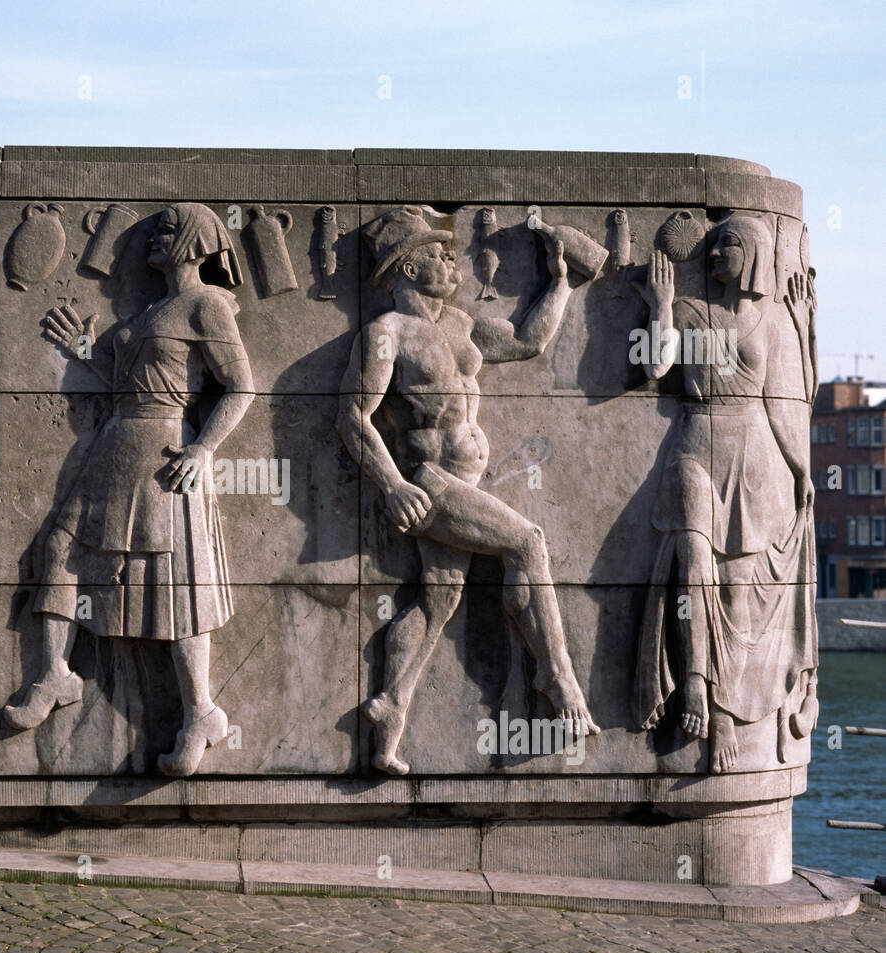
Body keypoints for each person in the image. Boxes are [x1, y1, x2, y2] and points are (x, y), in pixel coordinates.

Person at [338, 205, 599, 776]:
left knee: (437, 600)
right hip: (430, 484)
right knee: (527, 542)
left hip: (466, 478)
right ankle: (556, 676)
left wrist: (560, 283)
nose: (450, 260)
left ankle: (391, 712)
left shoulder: (459, 325)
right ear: (406, 269)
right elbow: (353, 417)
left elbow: (527, 342)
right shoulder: (386, 334)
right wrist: (392, 487)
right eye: (436, 253)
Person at [3, 203, 255, 778]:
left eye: (168, 231)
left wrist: (204, 449)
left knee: (176, 585)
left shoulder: (208, 305)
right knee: (59, 551)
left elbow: (241, 387)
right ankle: (53, 677)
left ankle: (200, 713)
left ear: (196, 242)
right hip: (116, 447)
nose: (152, 240)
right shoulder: (149, 311)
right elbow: (127, 384)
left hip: (167, 452)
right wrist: (88, 353)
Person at [633, 217, 818, 771]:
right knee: (693, 560)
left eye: (728, 244)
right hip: (694, 447)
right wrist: (661, 304)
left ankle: (724, 709)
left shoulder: (773, 322)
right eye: (711, 245)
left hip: (756, 458)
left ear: (756, 254)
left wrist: (803, 469)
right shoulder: (692, 312)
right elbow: (653, 365)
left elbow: (788, 401)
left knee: (738, 591)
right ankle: (692, 684)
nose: (715, 252)